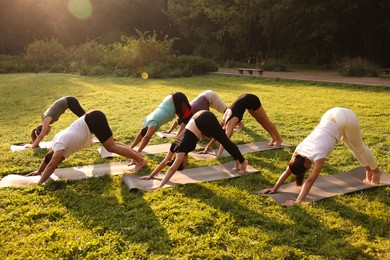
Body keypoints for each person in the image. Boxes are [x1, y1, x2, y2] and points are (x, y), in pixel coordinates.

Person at [259, 107, 384, 206]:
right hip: (331, 115)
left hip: (344, 116)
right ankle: (368, 170)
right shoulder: (298, 152)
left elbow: (310, 180)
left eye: (307, 170)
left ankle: (376, 171)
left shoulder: (318, 154)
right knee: (352, 147)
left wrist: (298, 201)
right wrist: (275, 188)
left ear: (306, 165)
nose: (308, 170)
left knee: (359, 146)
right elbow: (288, 171)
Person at [26, 110, 147, 185]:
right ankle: (138, 157)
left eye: (58, 161)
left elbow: (52, 164)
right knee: (111, 144)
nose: (59, 163)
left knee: (111, 147)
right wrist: (38, 171)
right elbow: (48, 159)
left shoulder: (59, 147)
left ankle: (140, 160)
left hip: (93, 120)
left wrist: (40, 182)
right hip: (91, 119)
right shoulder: (55, 145)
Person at [140, 110, 248, 190]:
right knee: (223, 140)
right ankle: (237, 161)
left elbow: (172, 168)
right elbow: (165, 161)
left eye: (185, 164)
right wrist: (151, 176)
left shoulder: (180, 152)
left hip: (203, 119)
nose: (187, 162)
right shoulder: (174, 146)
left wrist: (160, 185)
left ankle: (243, 162)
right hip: (198, 117)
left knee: (224, 141)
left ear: (181, 162)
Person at [201, 93, 282, 155]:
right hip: (245, 99)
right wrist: (206, 148)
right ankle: (273, 138)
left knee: (265, 120)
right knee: (259, 120)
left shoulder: (229, 125)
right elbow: (216, 135)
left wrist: (218, 154)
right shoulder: (223, 122)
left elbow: (225, 141)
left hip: (251, 99)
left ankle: (279, 140)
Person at [165, 90, 242, 133]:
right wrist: (170, 131)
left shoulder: (191, 113)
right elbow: (178, 122)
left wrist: (178, 136)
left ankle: (240, 124)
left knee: (226, 111)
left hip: (210, 96)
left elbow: (183, 125)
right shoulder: (185, 113)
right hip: (204, 97)